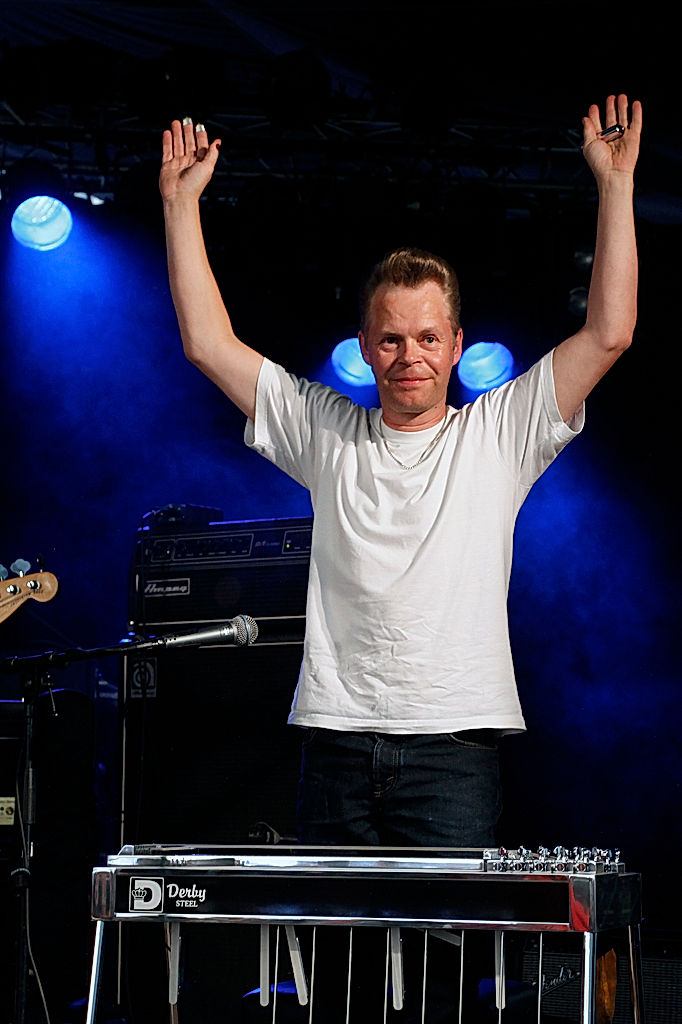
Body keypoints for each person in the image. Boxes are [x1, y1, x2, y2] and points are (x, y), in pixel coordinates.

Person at [160, 96, 641, 1018]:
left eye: (427, 338)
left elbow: (609, 333)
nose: (409, 355)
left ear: (456, 345)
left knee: (444, 990)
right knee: (340, 986)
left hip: (453, 751)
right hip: (336, 741)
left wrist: (615, 187)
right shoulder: (325, 430)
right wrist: (181, 205)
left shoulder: (498, 433)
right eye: (391, 338)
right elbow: (207, 344)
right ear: (365, 347)